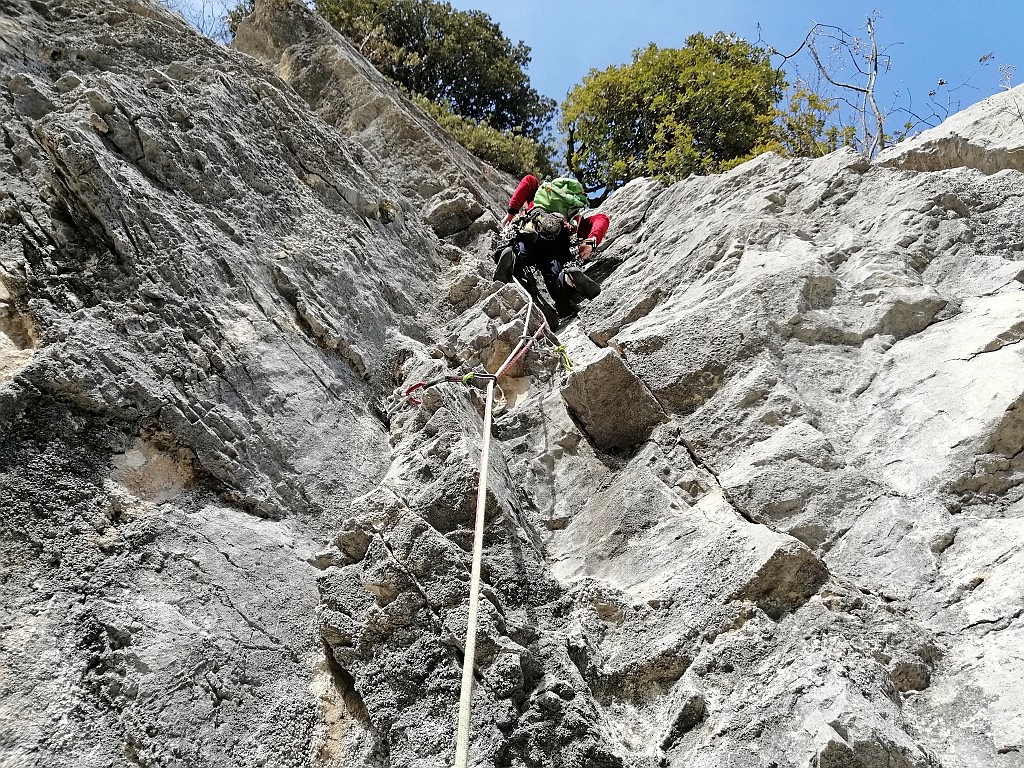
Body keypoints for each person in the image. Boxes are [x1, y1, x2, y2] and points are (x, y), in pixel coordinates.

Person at [494, 176, 609, 315]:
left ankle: (512, 257)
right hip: (557, 242)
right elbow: (602, 219)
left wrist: (511, 213)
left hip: (533, 227)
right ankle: (568, 280)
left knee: (519, 249)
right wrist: (591, 242)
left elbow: (529, 180)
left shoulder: (541, 194)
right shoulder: (577, 220)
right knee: (555, 277)